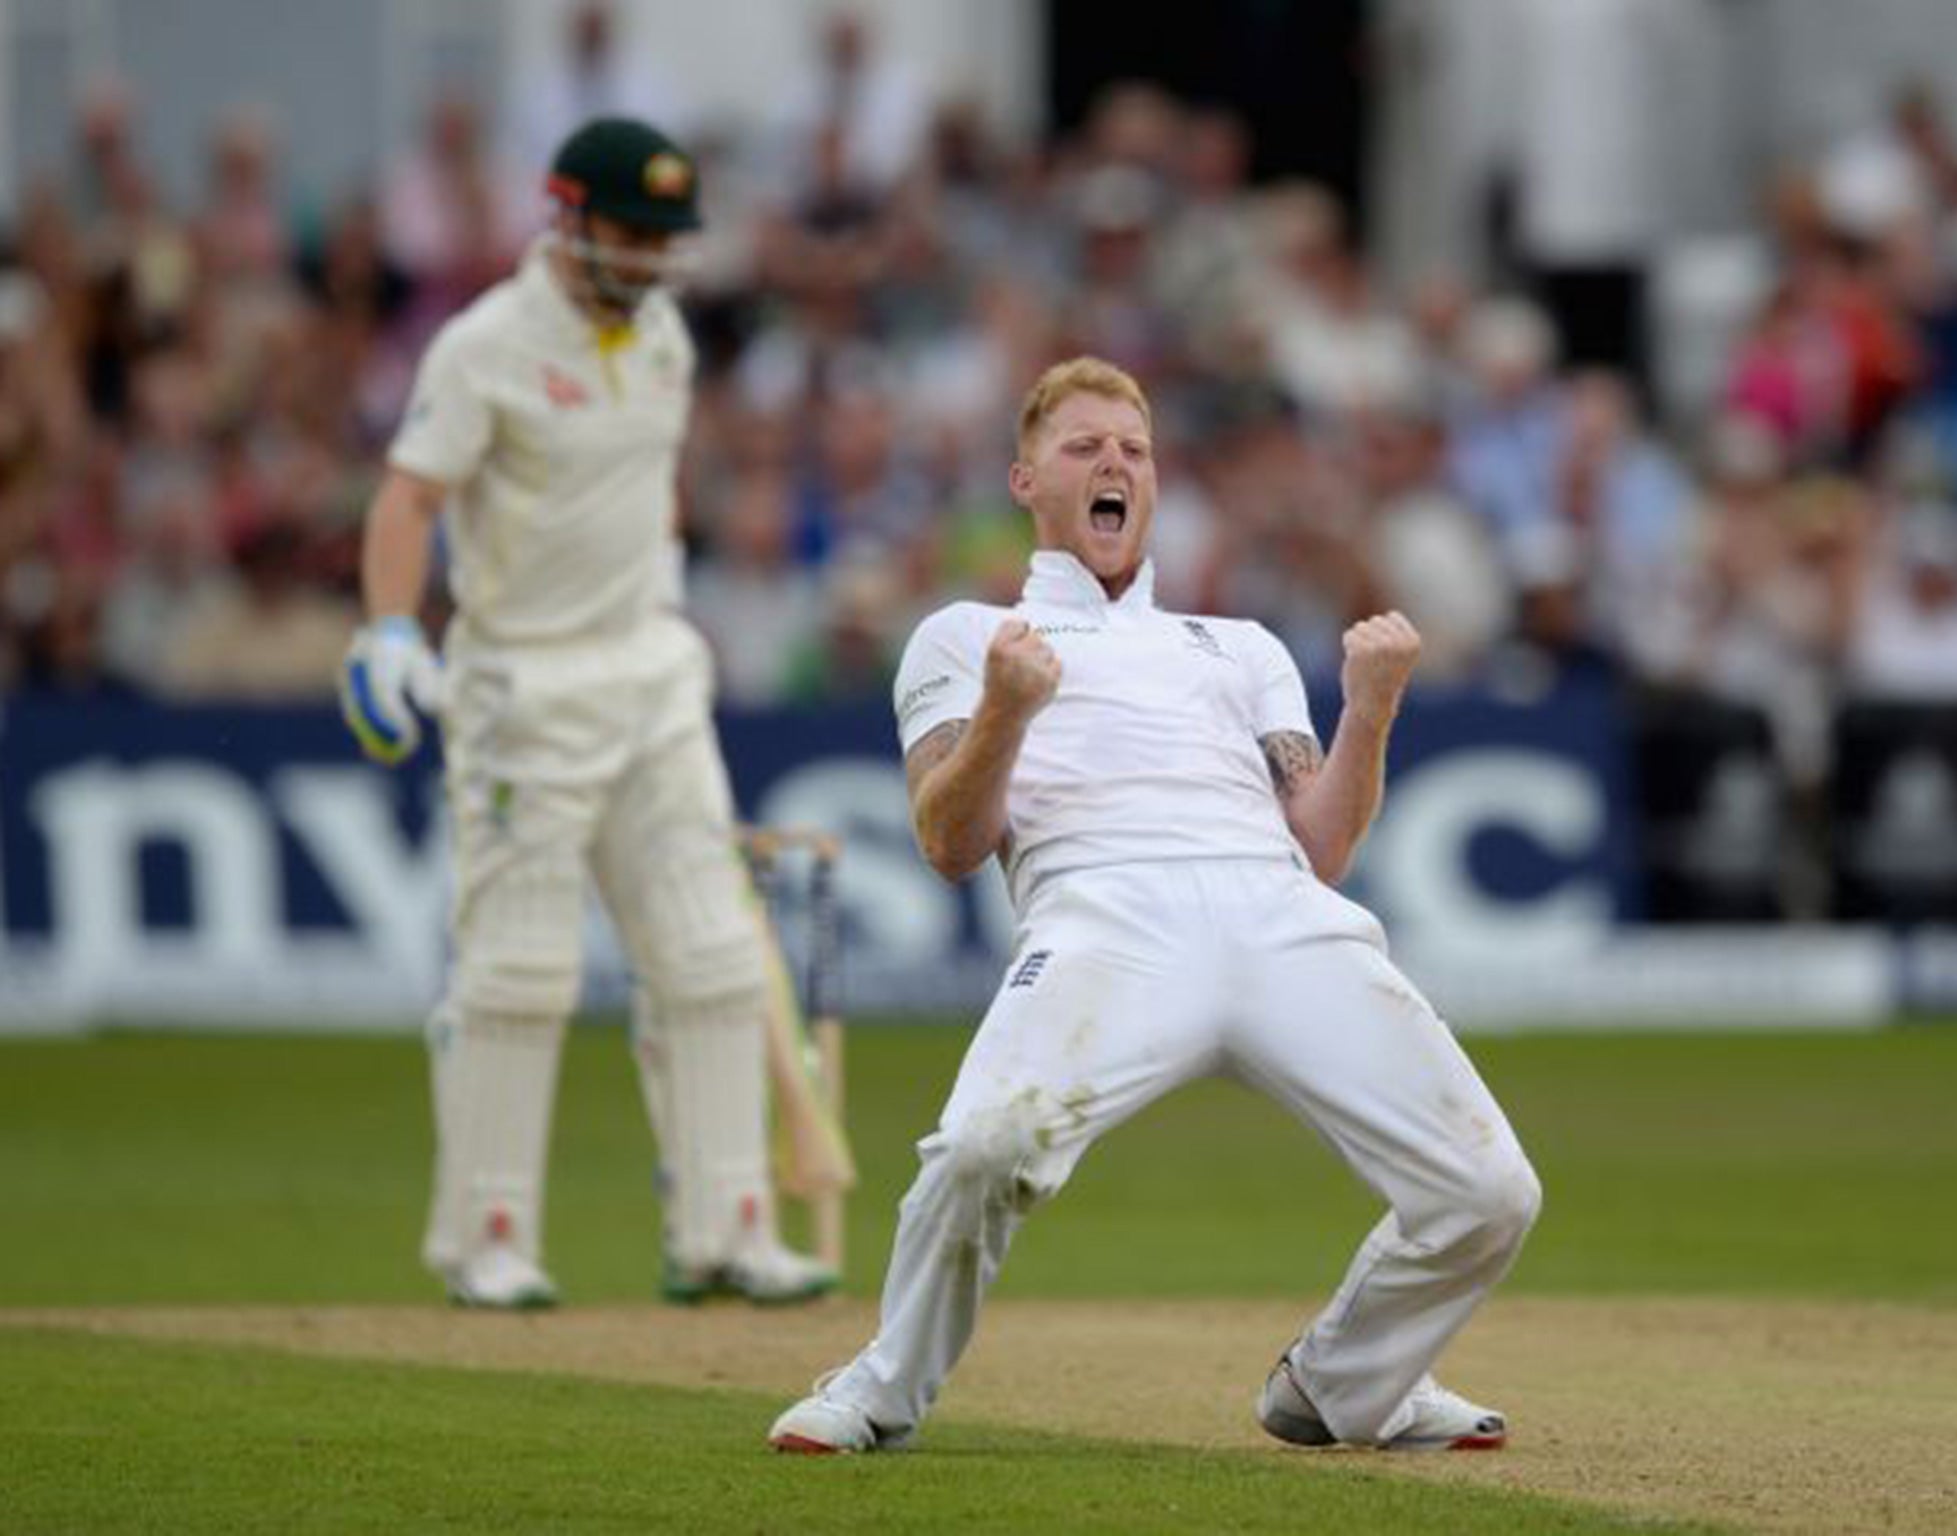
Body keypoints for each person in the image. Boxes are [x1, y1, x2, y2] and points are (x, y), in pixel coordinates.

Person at [768, 357, 1541, 1454]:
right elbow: (948, 843)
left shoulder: (1239, 644)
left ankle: (1345, 1387)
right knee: (987, 1147)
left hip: (1275, 910)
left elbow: (1318, 847)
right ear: (1024, 480)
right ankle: (879, 1388)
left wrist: (1369, 709)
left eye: (1131, 449)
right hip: (1104, 914)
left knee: (1487, 1189)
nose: (1112, 464)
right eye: (1082, 447)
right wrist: (1003, 710)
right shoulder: (966, 635)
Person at [339, 116, 836, 1310]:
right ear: (567, 216)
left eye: (668, 236)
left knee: (713, 959)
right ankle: (487, 1239)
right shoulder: (486, 344)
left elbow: (646, 489)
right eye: (631, 231)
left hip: (650, 672)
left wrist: (656, 590)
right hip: (523, 683)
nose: (654, 258)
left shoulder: (662, 333)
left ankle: (725, 1232)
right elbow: (410, 499)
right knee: (519, 971)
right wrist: (390, 627)